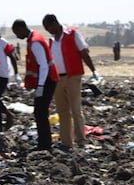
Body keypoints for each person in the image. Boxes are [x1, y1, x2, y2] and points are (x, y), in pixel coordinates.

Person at [42, 14, 102, 149]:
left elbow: (83, 52)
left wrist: (93, 71)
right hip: (57, 79)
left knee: (75, 109)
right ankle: (66, 142)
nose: (48, 30)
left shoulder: (72, 34)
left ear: (55, 23)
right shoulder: (51, 41)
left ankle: (81, 140)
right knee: (62, 111)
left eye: (49, 27)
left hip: (73, 76)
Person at [12, 19, 59, 151]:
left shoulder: (34, 42)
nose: (17, 36)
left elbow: (43, 65)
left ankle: (44, 145)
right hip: (46, 80)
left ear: (21, 28)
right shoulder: (34, 38)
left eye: (16, 32)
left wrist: (40, 86)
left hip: (47, 80)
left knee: (40, 113)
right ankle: (44, 143)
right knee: (40, 113)